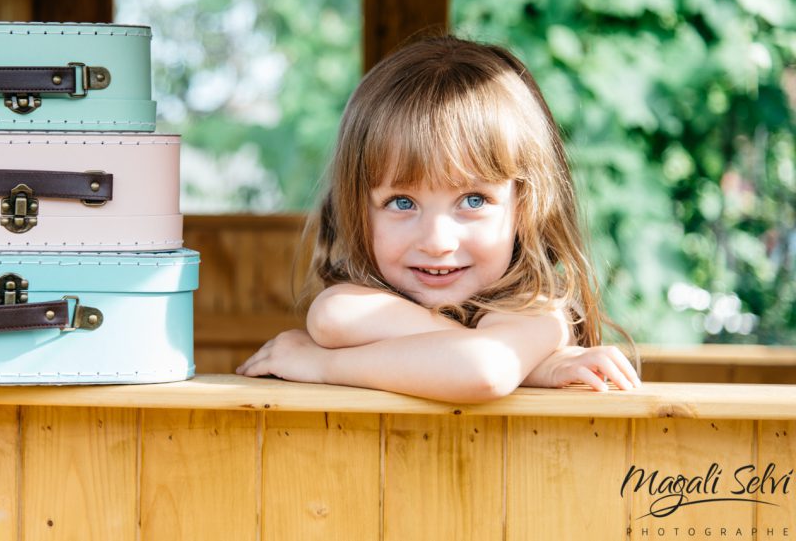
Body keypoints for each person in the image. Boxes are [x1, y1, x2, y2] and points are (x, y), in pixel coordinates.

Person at [236, 34, 641, 402]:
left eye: (474, 200)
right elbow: (332, 316)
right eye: (402, 203)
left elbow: (483, 371)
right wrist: (535, 366)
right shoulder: (356, 301)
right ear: (359, 209)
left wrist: (321, 366)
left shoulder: (536, 312)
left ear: (525, 205)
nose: (436, 241)